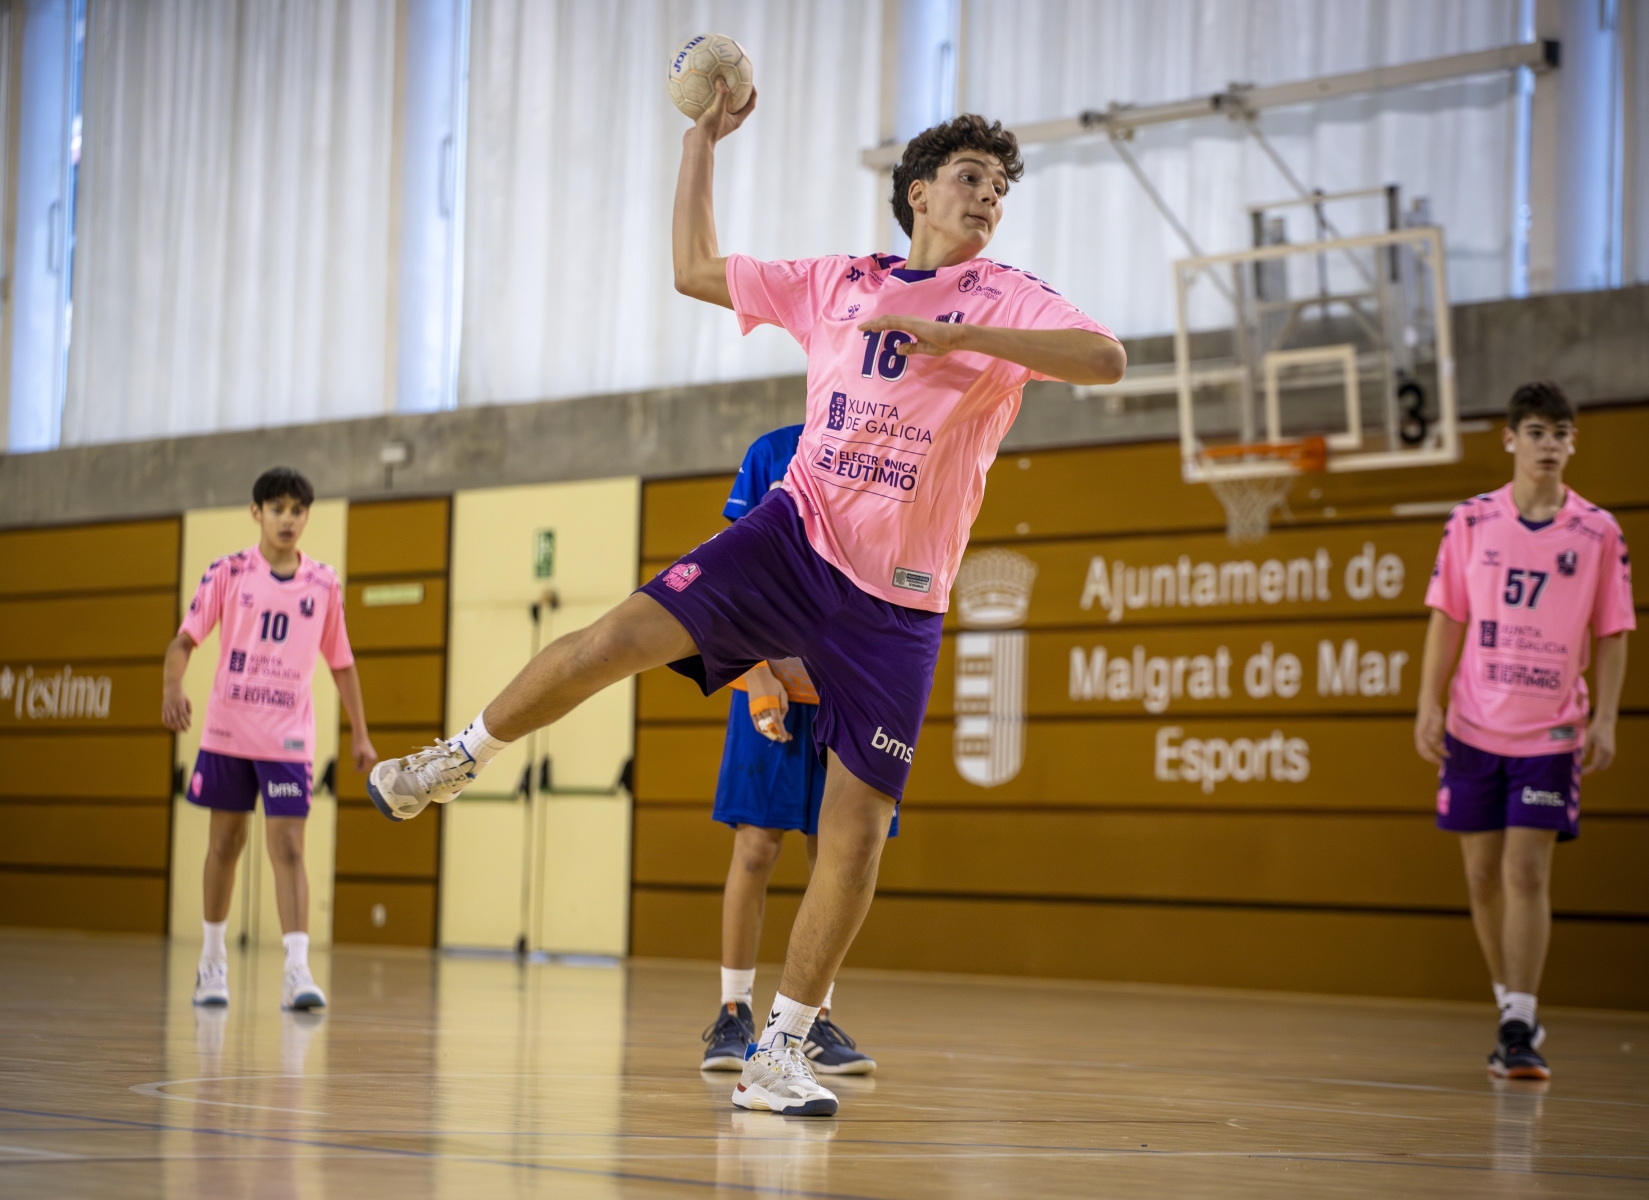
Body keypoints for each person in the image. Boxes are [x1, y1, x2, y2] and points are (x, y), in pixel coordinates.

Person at [365, 83, 1125, 1116]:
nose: (989, 198)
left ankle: (780, 1051)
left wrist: (967, 342)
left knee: (856, 831)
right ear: (918, 193)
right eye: (970, 179)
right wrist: (700, 144)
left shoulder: (1005, 296)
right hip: (793, 536)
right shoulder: (839, 281)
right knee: (612, 639)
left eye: (1000, 187)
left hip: (899, 602)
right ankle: (457, 758)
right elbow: (693, 270)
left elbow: (1105, 358)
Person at [1414, 381, 1634, 1081]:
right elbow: (1447, 616)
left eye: (1561, 433)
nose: (1549, 445)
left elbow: (1614, 630)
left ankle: (1518, 1023)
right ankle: (1511, 1003)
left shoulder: (1598, 532)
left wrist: (1605, 718)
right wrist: (1428, 703)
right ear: (1510, 439)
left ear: (1573, 444)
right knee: (1482, 874)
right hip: (1474, 726)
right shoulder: (1470, 521)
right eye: (1537, 432)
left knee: (1525, 870)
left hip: (1552, 732)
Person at [700, 423, 894, 1077]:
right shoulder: (771, 452)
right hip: (773, 685)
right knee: (756, 848)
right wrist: (755, 672)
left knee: (834, 852)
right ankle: (733, 1012)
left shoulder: (892, 452)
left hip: (847, 686)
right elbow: (731, 574)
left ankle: (809, 1021)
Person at [162, 467, 379, 1011]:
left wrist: (360, 734)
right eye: (277, 508)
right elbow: (184, 641)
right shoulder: (228, 572)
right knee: (225, 844)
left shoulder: (323, 584)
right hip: (228, 733)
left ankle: (297, 970)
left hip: (287, 741)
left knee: (289, 848)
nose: (288, 519)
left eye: (297, 510)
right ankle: (212, 964)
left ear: (307, 516)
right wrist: (172, 686)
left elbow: (342, 662)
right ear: (256, 512)